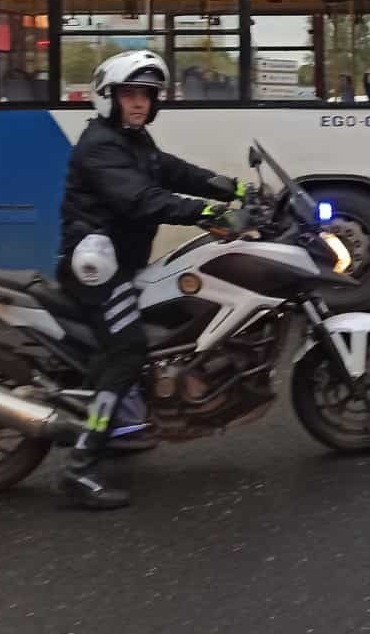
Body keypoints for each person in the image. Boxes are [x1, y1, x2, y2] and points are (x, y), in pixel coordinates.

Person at [57, 51, 246, 509]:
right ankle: (80, 467)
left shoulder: (134, 140)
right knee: (127, 350)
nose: (139, 103)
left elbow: (170, 170)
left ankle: (123, 425)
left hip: (119, 260)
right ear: (109, 97)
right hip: (96, 266)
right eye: (130, 94)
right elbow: (141, 199)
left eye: (146, 95)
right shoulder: (101, 145)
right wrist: (208, 213)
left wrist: (232, 187)